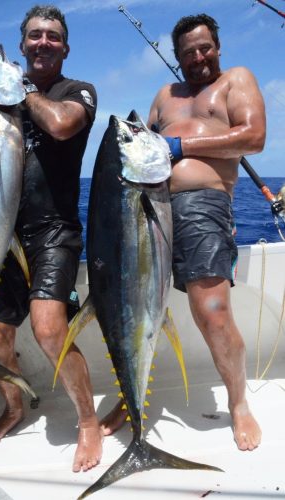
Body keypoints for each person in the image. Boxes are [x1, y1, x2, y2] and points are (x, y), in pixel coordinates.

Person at [101, 13, 265, 452]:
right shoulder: (163, 96)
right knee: (134, 307)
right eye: (188, 51)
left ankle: (237, 403)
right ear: (176, 56)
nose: (198, 57)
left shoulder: (236, 81)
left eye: (204, 47)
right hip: (149, 207)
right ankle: (131, 394)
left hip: (202, 204)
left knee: (210, 311)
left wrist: (181, 146)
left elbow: (253, 137)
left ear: (218, 46)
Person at [0, 5, 103, 472]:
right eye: (35, 36)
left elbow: (60, 124)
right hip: (4, 233)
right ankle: (13, 406)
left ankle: (87, 420)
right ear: (23, 44)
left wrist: (22, 88)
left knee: (49, 327)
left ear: (65, 47)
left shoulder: (80, 92)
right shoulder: (3, 99)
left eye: (52, 36)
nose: (43, 43)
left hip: (55, 231)